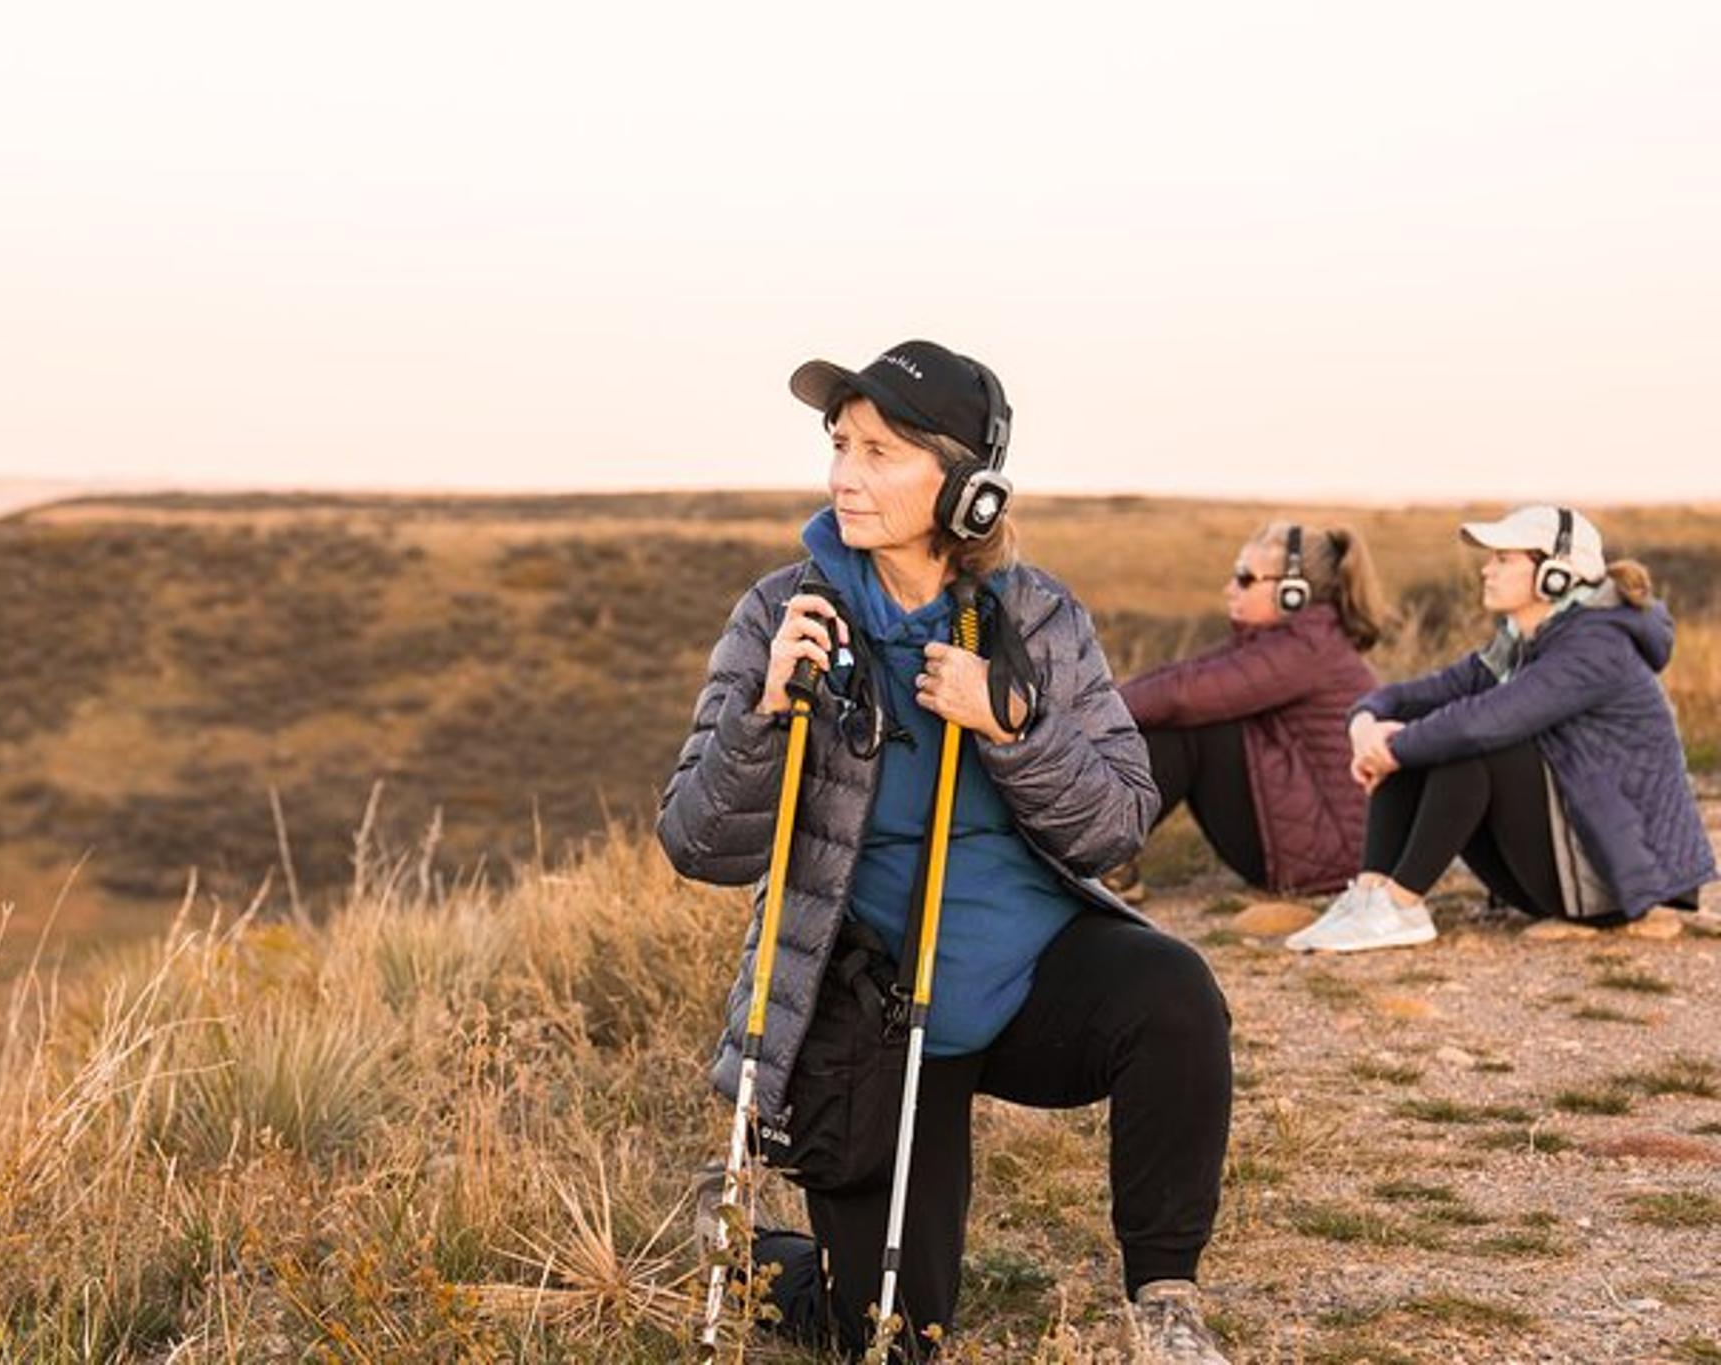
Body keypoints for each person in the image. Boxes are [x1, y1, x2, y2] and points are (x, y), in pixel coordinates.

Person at [658, 340, 1233, 1362]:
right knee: (890, 1337)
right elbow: (696, 844)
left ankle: (1162, 1299)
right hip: (879, 1020)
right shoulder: (778, 613)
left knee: (1171, 992)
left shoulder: (1037, 617)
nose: (843, 474)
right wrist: (760, 714)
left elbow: (1115, 824)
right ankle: (752, 1250)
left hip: (1026, 984)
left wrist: (1010, 729)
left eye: (879, 452)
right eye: (839, 445)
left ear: (966, 488)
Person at [1290, 505, 1715, 953]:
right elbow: (1415, 695)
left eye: (1503, 559)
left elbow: (1486, 723)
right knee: (1424, 729)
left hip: (1618, 884)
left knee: (1471, 743)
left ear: (1556, 574)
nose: (1486, 570)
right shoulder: (1518, 642)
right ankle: (1373, 897)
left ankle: (1401, 905)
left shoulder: (1597, 648)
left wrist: (1393, 748)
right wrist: (1365, 726)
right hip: (1557, 873)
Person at [1107, 522, 1388, 901]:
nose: (1229, 588)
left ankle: (1101, 857)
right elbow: (1183, 677)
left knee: (1190, 725)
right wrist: (1098, 706)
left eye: (1244, 578)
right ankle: (1102, 855)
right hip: (1319, 839)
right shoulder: (1287, 641)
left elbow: (1183, 695)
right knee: (1176, 711)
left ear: (1293, 593)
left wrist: (1089, 716)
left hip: (1332, 854)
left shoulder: (1307, 648)